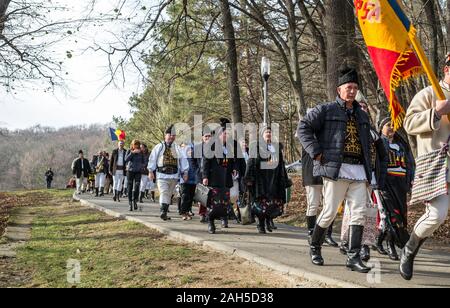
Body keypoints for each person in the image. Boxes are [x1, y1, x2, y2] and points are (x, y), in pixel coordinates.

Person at [298, 68, 373, 273]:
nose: (352, 91)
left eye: (355, 88)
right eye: (349, 87)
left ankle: (353, 256)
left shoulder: (363, 115)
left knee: (359, 213)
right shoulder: (326, 109)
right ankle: (315, 246)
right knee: (329, 212)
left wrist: (371, 170)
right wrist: (316, 152)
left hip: (358, 170)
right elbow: (303, 127)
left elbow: (368, 144)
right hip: (336, 169)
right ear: (339, 89)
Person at [400, 54, 450, 280]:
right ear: (446, 69)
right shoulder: (429, 93)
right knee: (436, 216)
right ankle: (410, 248)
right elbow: (408, 123)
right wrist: (437, 112)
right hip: (438, 166)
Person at [377, 118, 414, 261]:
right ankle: (390, 245)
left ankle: (379, 240)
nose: (391, 127)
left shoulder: (402, 144)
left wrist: (411, 179)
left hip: (401, 184)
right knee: (392, 216)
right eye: (388, 125)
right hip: (386, 184)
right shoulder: (379, 143)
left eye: (393, 125)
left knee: (402, 216)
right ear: (381, 128)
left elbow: (410, 164)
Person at [245, 126, 290, 234]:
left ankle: (268, 221)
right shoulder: (256, 147)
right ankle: (261, 224)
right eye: (266, 132)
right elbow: (252, 162)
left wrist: (284, 178)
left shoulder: (276, 147)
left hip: (274, 179)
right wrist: (248, 178)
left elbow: (281, 164)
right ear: (262, 135)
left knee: (273, 203)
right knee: (262, 203)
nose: (268, 134)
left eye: (270, 132)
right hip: (261, 180)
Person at [201, 119, 239, 234]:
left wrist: (234, 169)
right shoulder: (211, 145)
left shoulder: (231, 146)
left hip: (226, 177)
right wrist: (205, 176)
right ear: (219, 134)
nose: (227, 136)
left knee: (225, 202)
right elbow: (206, 162)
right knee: (213, 202)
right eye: (225, 133)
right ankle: (211, 223)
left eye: (228, 134)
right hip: (214, 178)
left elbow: (234, 160)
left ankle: (224, 218)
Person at [148, 125, 189, 221]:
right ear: (166, 135)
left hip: (174, 175)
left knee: (169, 194)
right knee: (164, 192)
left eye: (173, 135)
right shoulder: (159, 146)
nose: (172, 137)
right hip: (161, 174)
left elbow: (183, 160)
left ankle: (165, 212)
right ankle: (163, 211)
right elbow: (152, 159)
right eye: (170, 135)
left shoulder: (178, 148)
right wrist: (150, 171)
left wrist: (185, 172)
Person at [125, 140, 146, 211]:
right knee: (129, 187)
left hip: (138, 172)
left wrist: (142, 166)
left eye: (137, 144)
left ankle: (135, 201)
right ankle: (130, 202)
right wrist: (132, 153)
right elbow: (126, 159)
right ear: (132, 145)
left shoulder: (141, 152)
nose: (136, 146)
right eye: (135, 144)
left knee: (137, 186)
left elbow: (144, 162)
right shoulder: (129, 151)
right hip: (130, 171)